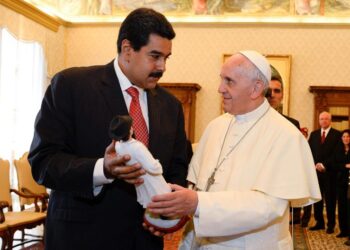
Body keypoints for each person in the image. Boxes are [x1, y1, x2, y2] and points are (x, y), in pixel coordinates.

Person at [28, 8, 189, 250]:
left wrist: (165, 214)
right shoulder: (71, 87)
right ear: (127, 49)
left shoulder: (171, 106)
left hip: (145, 241)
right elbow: (44, 163)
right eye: (154, 56)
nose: (162, 67)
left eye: (166, 58)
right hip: (82, 238)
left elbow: (177, 168)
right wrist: (102, 169)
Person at [147, 50, 321, 249]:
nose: (220, 89)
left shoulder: (286, 135)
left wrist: (198, 203)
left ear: (256, 88)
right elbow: (199, 188)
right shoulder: (215, 126)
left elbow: (268, 207)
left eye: (229, 81)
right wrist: (174, 212)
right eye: (221, 79)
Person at [308, 111, 341, 234]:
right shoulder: (314, 134)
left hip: (330, 173)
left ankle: (331, 224)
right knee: (317, 199)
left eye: (326, 119)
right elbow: (309, 152)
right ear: (319, 120)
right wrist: (316, 164)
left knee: (330, 200)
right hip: (316, 173)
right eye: (321, 119)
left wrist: (324, 164)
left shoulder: (337, 135)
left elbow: (337, 154)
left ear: (330, 120)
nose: (324, 121)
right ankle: (319, 222)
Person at [333, 129, 350, 240]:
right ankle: (343, 230)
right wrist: (345, 166)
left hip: (349, 183)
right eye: (344, 136)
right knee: (342, 207)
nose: (345, 138)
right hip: (340, 182)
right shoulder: (338, 149)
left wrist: (342, 165)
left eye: (348, 136)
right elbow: (335, 165)